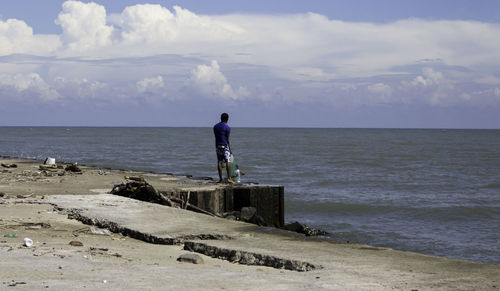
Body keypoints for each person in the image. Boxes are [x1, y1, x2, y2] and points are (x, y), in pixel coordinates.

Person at [213, 113, 235, 184]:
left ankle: (220, 179)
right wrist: (230, 148)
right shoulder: (227, 127)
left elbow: (216, 136)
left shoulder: (215, 126)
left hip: (218, 145)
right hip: (225, 145)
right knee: (227, 161)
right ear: (227, 119)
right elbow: (227, 138)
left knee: (219, 161)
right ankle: (229, 178)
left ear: (221, 118)